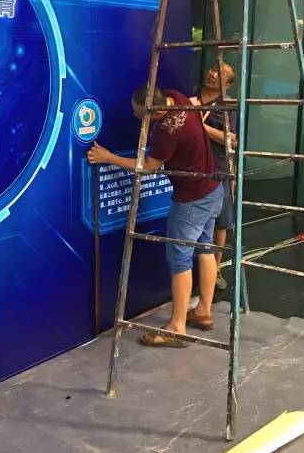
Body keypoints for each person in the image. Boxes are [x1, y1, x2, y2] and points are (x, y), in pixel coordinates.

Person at [86, 83, 223, 347]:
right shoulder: (176, 97)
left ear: (157, 112)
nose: (136, 117)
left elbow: (148, 166)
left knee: (180, 259)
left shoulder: (168, 131)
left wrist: (108, 157)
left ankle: (177, 328)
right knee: (205, 248)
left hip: (192, 199)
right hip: (212, 188)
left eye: (140, 114)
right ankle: (203, 310)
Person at [191, 63, 238, 291]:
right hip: (191, 167)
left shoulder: (229, 106)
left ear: (227, 85)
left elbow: (231, 140)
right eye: (212, 69)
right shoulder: (191, 96)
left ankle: (216, 269)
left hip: (219, 170)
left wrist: (200, 124)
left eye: (221, 74)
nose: (213, 74)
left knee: (221, 222)